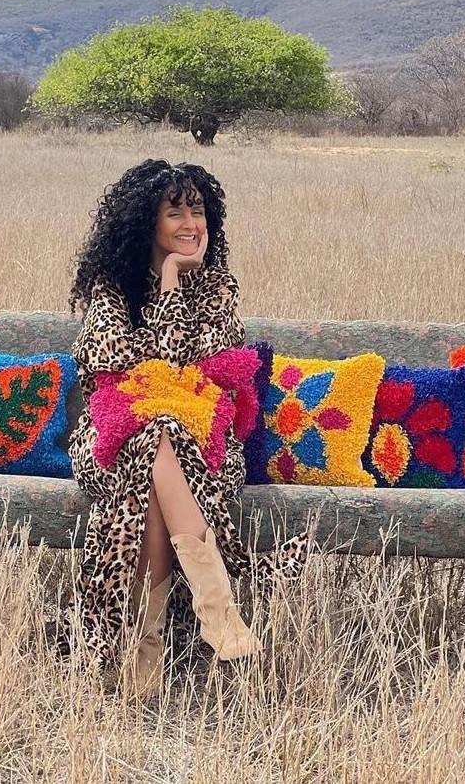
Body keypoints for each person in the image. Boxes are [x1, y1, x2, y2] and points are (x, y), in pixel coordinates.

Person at [65, 159, 313, 697]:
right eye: (174, 212)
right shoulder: (112, 290)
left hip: (202, 443)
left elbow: (190, 370)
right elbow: (137, 371)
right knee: (155, 431)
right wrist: (170, 281)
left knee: (157, 457)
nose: (189, 224)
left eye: (197, 211)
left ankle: (143, 658)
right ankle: (218, 609)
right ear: (145, 221)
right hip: (111, 438)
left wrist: (178, 290)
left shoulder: (219, 288)